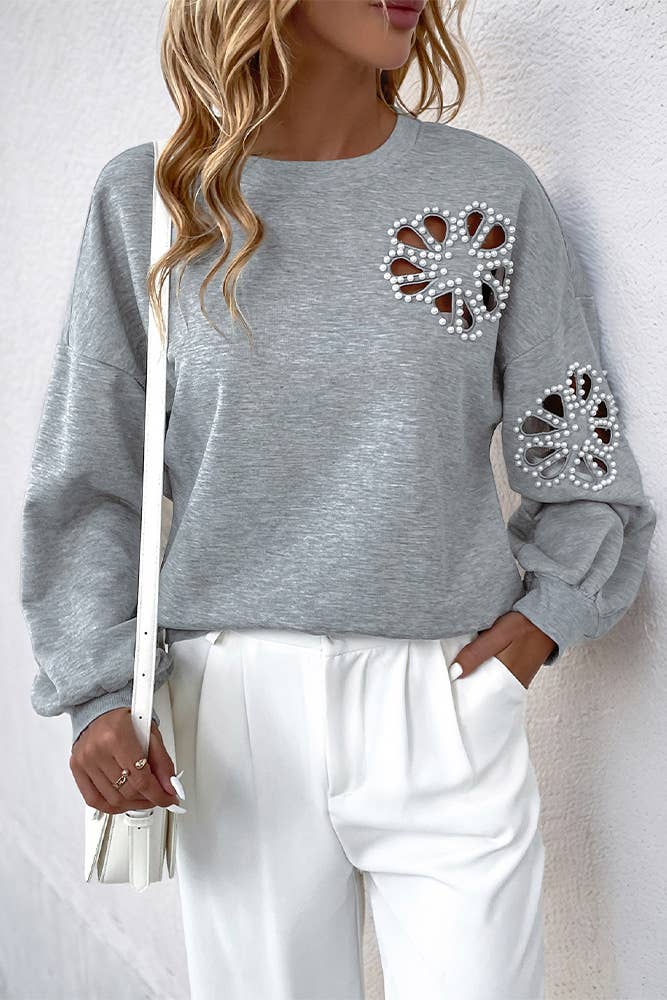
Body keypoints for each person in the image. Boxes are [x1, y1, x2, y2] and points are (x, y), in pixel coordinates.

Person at [20, 1, 657, 998]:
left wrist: (535, 631)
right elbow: (86, 479)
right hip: (232, 718)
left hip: (444, 702)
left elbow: (582, 469)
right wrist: (98, 689)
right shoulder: (153, 201)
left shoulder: (486, 195)